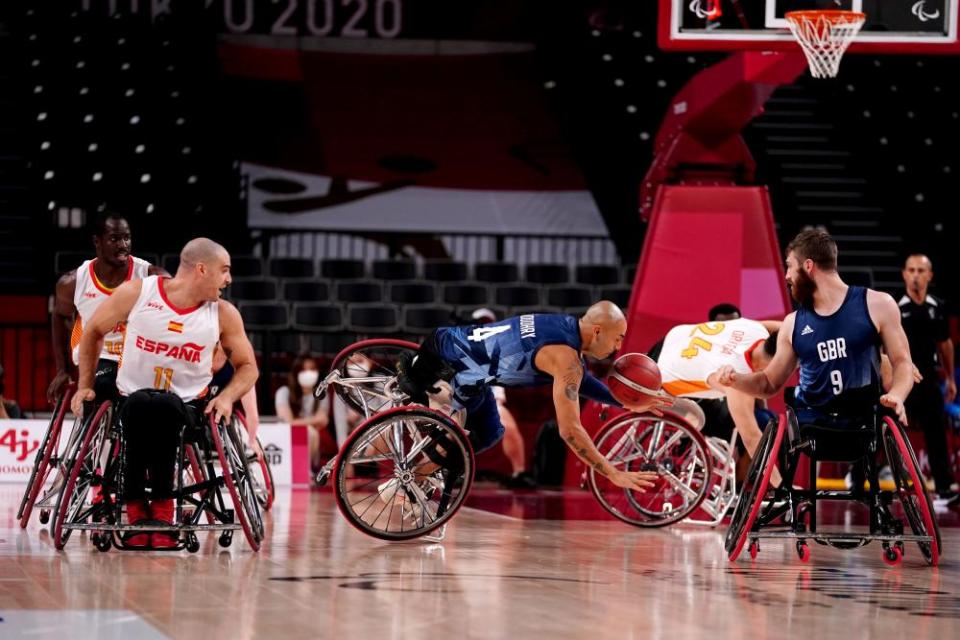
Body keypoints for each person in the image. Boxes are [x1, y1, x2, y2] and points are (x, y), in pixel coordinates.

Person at [71, 238, 258, 548]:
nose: (229, 279)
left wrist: (226, 397)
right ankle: (135, 509)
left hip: (187, 406)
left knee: (164, 404)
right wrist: (85, 385)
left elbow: (248, 366)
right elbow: (92, 331)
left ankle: (161, 509)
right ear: (201, 269)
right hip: (131, 399)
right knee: (143, 402)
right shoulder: (139, 292)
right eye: (224, 271)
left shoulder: (223, 313)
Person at [397, 301, 670, 493]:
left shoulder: (562, 325)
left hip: (447, 344)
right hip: (451, 369)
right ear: (598, 331)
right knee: (468, 437)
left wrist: (623, 401)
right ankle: (405, 481)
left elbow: (581, 380)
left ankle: (413, 477)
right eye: (618, 338)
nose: (618, 347)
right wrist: (612, 473)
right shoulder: (566, 359)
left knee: (491, 430)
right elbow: (570, 430)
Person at [716, 230, 915, 479]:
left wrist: (897, 394)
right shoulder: (792, 323)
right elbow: (768, 383)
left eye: (790, 267)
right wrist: (737, 380)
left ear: (808, 266)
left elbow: (903, 362)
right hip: (812, 429)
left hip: (863, 425)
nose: (787, 276)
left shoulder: (878, 304)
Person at [47, 211, 167, 405]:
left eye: (127, 238)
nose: (123, 245)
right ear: (97, 241)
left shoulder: (151, 276)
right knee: (104, 386)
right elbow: (59, 317)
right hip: (98, 354)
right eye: (114, 239)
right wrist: (63, 369)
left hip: (138, 354)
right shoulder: (73, 282)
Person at [657, 317, 781, 468]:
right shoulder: (737, 378)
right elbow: (751, 438)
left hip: (677, 336)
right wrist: (781, 485)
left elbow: (789, 329)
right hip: (661, 374)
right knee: (725, 423)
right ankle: (679, 453)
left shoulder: (757, 329)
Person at [898, 253, 958, 503]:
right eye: (910, 270)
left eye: (920, 271)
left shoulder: (937, 307)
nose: (915, 276)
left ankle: (943, 487)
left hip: (930, 378)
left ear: (929, 275)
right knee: (888, 429)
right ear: (904, 274)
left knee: (936, 432)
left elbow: (945, 345)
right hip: (903, 379)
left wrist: (951, 379)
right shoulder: (896, 307)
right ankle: (862, 479)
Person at [470, 307, 537, 489]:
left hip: (489, 401)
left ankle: (520, 472)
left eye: (488, 323)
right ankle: (444, 470)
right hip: (462, 400)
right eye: (481, 323)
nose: (485, 327)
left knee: (507, 423)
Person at [275, 354, 331, 473]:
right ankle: (302, 471)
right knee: (310, 431)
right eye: (304, 370)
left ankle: (305, 470)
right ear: (296, 373)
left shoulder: (321, 394)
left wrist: (297, 422)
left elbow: (323, 420)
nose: (308, 373)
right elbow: (286, 423)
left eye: (312, 369)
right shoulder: (283, 392)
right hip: (286, 439)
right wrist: (312, 421)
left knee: (311, 433)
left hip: (314, 443)